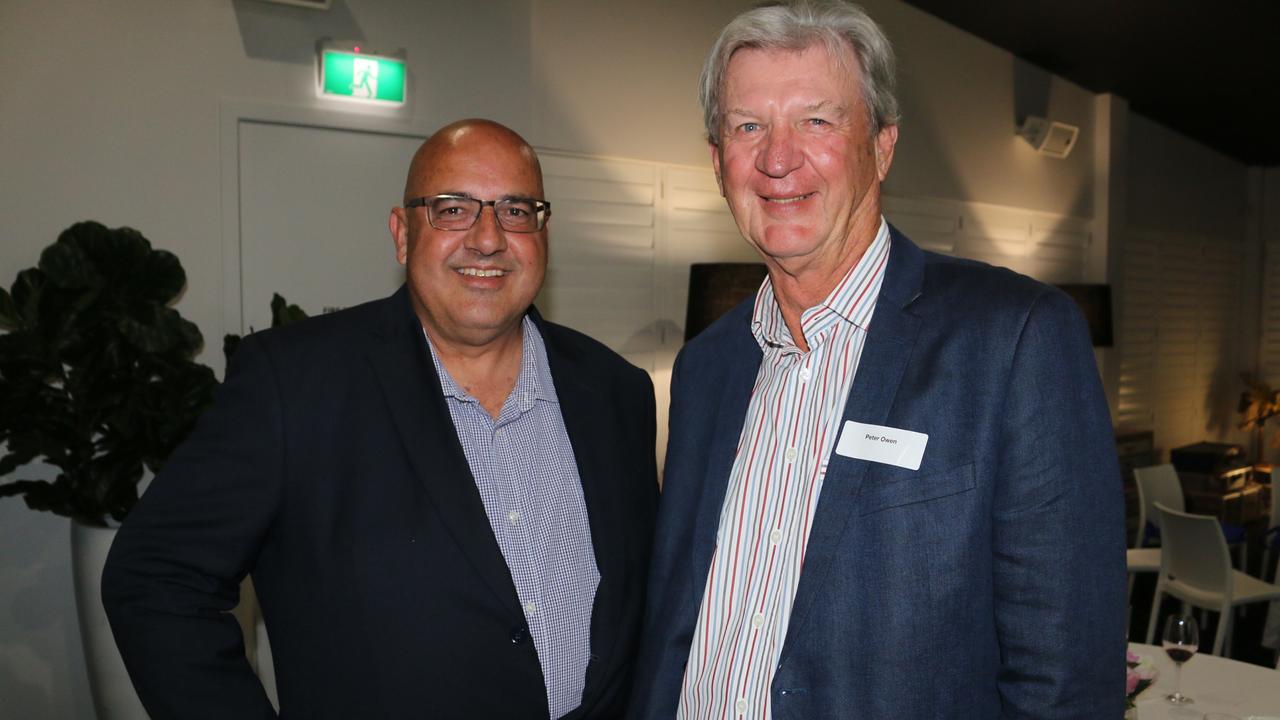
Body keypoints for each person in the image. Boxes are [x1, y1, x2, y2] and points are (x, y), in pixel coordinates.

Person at [629, 2, 1126, 718]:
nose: (776, 158)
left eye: (817, 121)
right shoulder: (706, 369)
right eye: (747, 126)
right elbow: (673, 624)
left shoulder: (1015, 340)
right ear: (716, 162)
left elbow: (1068, 679)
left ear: (883, 146)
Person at [102, 119, 658, 719]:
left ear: (543, 232)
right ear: (402, 233)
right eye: (452, 209)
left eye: (516, 210)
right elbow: (156, 578)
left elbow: (647, 606)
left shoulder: (616, 392)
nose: (489, 238)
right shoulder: (294, 383)